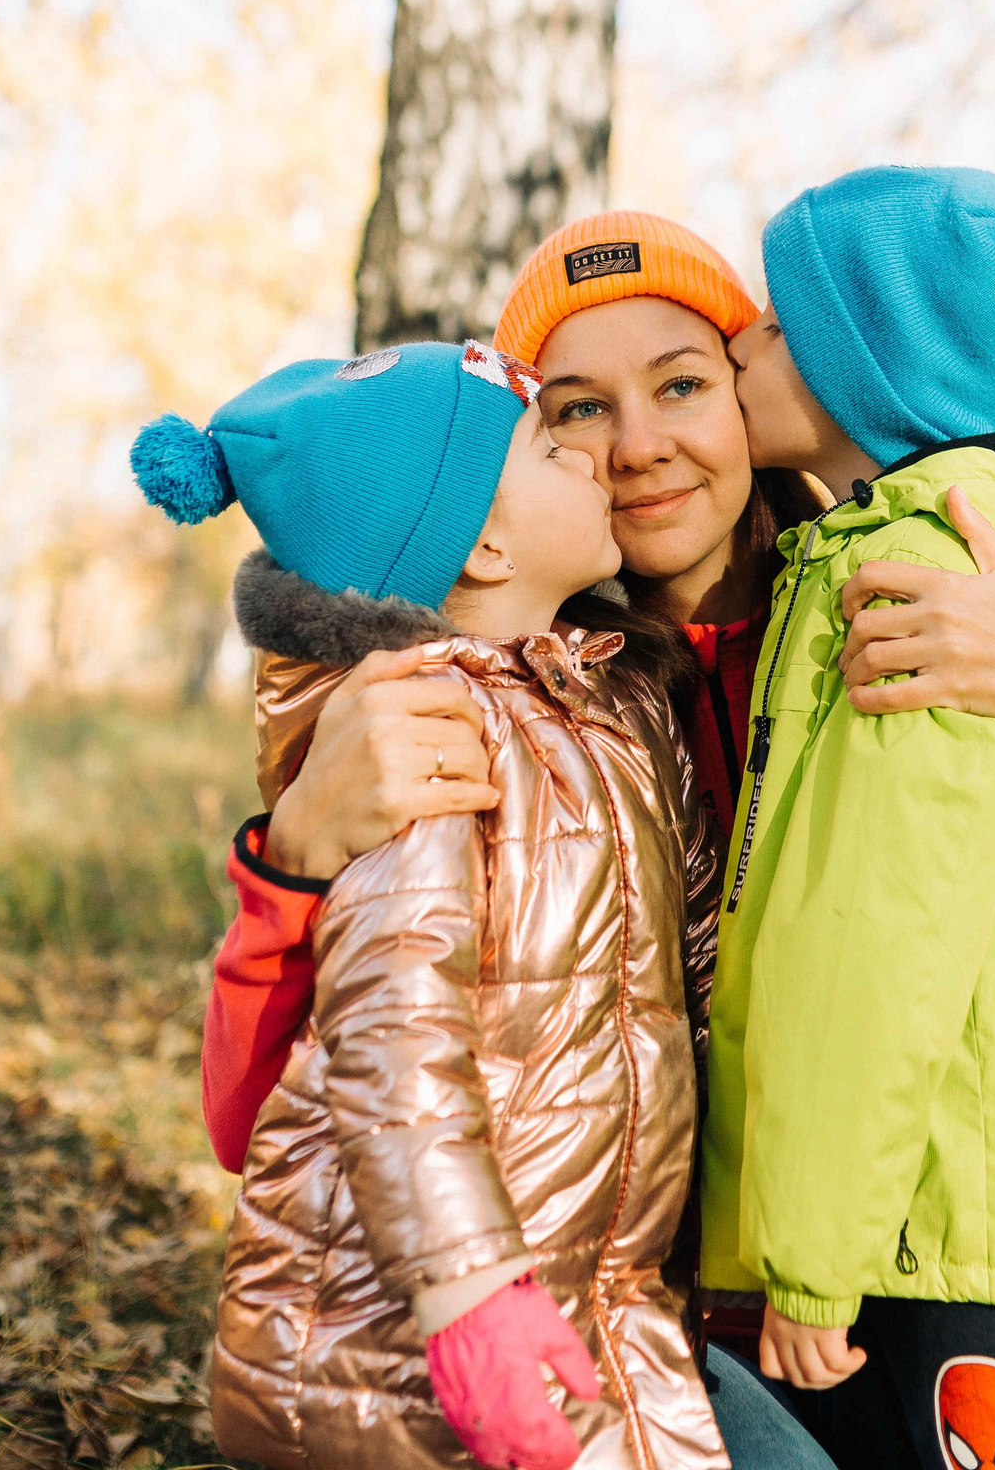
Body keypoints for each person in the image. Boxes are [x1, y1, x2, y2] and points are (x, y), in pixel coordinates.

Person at [202, 209, 995, 1470]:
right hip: (643, 1306)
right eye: (571, 409)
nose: (636, 446)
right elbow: (262, 1120)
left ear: (755, 390)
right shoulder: (495, 704)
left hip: (903, 1271)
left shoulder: (920, 600)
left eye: (682, 382)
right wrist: (290, 860)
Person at [136, 340, 729, 1470]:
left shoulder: (611, 700)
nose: (599, 458)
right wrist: (468, 1290)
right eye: (559, 445)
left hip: (598, 1282)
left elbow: (697, 958)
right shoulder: (421, 731)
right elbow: (392, 1041)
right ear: (487, 541)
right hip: (407, 1341)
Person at [703, 165, 995, 1470]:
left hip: (968, 1214)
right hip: (978, 1199)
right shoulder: (921, 549)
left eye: (780, 325)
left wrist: (807, 1256)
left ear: (869, 375)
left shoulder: (916, 589)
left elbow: (874, 934)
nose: (741, 336)